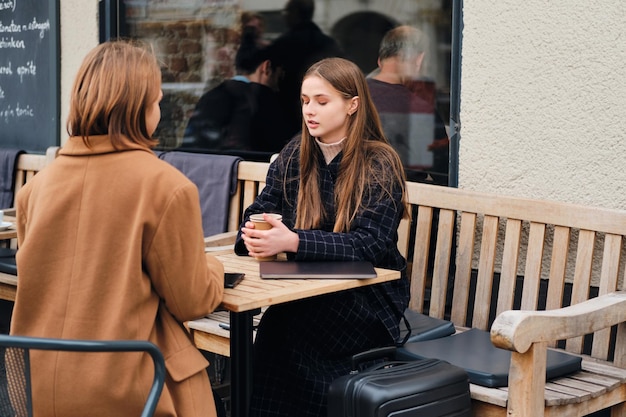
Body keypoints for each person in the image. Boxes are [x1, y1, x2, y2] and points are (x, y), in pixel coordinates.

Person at [10, 40, 225, 417]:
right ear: (137, 108)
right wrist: (216, 268)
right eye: (157, 102)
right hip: (135, 388)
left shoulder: (35, 189)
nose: (160, 110)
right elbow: (192, 300)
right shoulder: (166, 187)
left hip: (35, 389)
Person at [235, 57, 410, 417]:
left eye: (321, 101)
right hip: (305, 291)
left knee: (285, 328)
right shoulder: (295, 154)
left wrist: (293, 242)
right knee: (278, 326)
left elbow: (371, 245)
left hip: (367, 299)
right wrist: (254, 233)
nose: (310, 110)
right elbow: (260, 209)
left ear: (352, 105)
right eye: (304, 101)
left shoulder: (379, 163)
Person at [182, 26, 293, 160]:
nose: (279, 83)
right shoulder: (266, 102)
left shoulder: (211, 95)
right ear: (266, 67)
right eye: (280, 74)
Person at [367, 25, 450, 182]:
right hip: (404, 203)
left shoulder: (353, 97)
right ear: (418, 59)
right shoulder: (420, 110)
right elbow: (445, 175)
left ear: (380, 61)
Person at [267, 0, 343, 137]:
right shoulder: (328, 43)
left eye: (287, 12)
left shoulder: (285, 43)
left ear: (295, 13)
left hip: (286, 111)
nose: (285, 16)